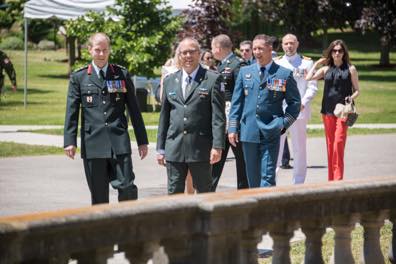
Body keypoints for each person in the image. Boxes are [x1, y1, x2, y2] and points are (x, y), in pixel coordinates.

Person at [64, 32, 148, 205]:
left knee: (127, 188)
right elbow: (71, 112)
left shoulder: (120, 74)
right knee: (99, 197)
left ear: (109, 50)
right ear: (89, 50)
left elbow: (134, 111)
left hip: (119, 143)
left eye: (105, 50)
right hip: (93, 144)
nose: (101, 54)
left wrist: (142, 141)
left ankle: (127, 226)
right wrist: (69, 141)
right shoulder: (79, 77)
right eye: (97, 50)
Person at [228, 34, 301, 188]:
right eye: (254, 48)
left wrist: (284, 123)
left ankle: (267, 210)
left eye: (260, 48)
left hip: (271, 131)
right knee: (252, 178)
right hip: (249, 132)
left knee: (267, 177)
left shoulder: (283, 73)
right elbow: (236, 103)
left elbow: (295, 103)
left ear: (270, 49)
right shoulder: (245, 72)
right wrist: (233, 128)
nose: (256, 52)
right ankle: (256, 211)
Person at [156, 37, 225, 194]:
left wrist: (217, 146)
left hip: (201, 149)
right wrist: (160, 148)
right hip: (175, 149)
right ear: (179, 55)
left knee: (204, 193)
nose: (188, 56)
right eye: (184, 52)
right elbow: (164, 117)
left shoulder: (212, 79)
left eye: (192, 52)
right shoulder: (169, 81)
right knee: (174, 194)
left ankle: (204, 220)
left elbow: (218, 117)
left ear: (199, 54)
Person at [305, 39, 360, 181]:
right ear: (331, 52)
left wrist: (351, 97)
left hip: (343, 111)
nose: (337, 53)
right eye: (334, 51)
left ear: (344, 53)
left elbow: (357, 90)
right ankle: (331, 179)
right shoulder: (326, 69)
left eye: (340, 51)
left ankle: (338, 178)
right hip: (327, 111)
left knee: (339, 143)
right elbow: (308, 78)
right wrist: (317, 64)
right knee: (330, 145)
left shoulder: (351, 69)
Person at [274, 33, 318, 184]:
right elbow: (273, 87)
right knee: (275, 149)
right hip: (279, 113)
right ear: (282, 45)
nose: (289, 46)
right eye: (286, 43)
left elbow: (312, 87)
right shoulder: (276, 62)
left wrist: (303, 103)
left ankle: (298, 182)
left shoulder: (306, 63)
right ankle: (271, 181)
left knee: (299, 149)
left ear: (297, 44)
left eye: (292, 43)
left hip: (299, 112)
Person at [211, 34, 248, 191]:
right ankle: (207, 191)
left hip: (234, 121)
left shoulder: (238, 65)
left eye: (212, 48)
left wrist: (236, 121)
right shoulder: (221, 65)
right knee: (216, 157)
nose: (212, 51)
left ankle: (244, 193)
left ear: (218, 48)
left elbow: (243, 94)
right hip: (221, 120)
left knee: (242, 160)